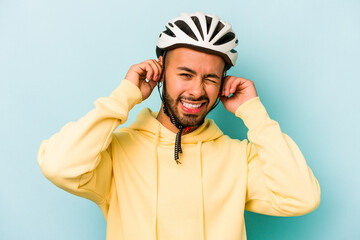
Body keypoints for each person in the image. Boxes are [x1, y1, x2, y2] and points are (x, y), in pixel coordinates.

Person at [37, 12, 321, 240]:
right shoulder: (116, 153)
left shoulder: (239, 158)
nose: (197, 91)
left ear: (223, 82)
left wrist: (254, 114)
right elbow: (59, 166)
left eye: (211, 78)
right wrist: (124, 95)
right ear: (159, 71)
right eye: (185, 74)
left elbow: (301, 198)